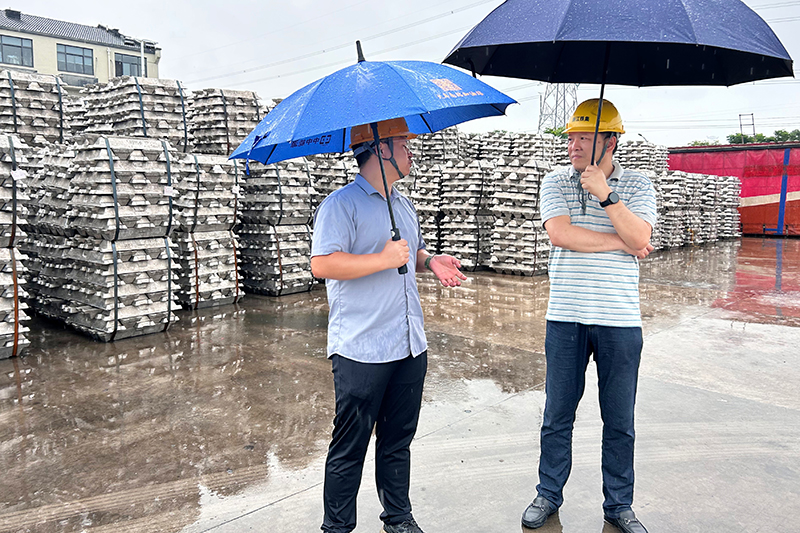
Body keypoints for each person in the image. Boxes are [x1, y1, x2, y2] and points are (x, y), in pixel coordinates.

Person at [311, 117, 467, 533]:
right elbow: (323, 264)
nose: (411, 152)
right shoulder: (341, 205)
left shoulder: (403, 204)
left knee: (398, 441)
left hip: (408, 343)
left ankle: (398, 518)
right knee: (350, 446)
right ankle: (337, 528)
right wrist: (382, 259)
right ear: (381, 148)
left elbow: (410, 253)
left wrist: (430, 260)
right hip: (362, 348)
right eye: (404, 144)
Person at [521, 100, 657, 533]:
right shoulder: (556, 181)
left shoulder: (638, 185)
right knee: (557, 414)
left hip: (619, 319)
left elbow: (641, 233)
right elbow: (561, 234)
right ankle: (548, 494)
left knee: (619, 419)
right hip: (566, 316)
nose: (573, 146)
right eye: (571, 138)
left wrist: (606, 195)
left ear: (610, 141)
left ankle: (618, 505)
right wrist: (621, 242)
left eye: (584, 138)